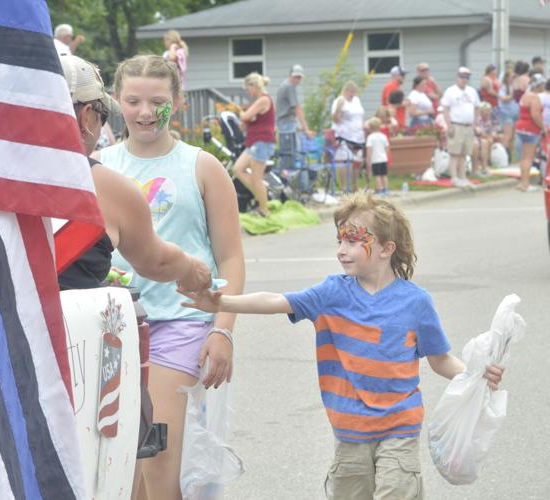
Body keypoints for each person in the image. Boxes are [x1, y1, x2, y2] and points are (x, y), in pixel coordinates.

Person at [178, 192, 505, 500]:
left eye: (353, 240)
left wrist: (475, 375)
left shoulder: (416, 302)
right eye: (340, 241)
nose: (341, 249)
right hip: (349, 431)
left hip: (400, 426)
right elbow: (275, 301)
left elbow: (440, 359)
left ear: (386, 248)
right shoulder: (331, 293)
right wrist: (220, 303)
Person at [99, 54, 245, 500]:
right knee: (119, 467)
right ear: (115, 103)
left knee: (158, 458)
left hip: (180, 323)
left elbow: (231, 259)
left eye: (158, 101)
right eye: (134, 101)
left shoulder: (202, 167)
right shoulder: (98, 166)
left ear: (177, 103)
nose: (146, 112)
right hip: (113, 325)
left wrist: (223, 332)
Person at [56, 54, 212, 293]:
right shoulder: (104, 186)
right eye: (103, 115)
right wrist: (189, 267)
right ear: (86, 116)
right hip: (64, 323)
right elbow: (156, 262)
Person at [234, 72, 276, 217]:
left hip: (261, 142)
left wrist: (242, 113)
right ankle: (261, 194)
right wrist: (247, 120)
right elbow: (250, 120)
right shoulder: (259, 102)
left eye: (248, 88)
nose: (247, 92)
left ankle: (264, 209)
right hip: (254, 142)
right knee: (238, 169)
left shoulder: (263, 100)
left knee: (256, 178)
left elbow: (245, 116)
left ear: (254, 86)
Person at [441, 66, 480, 188]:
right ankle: (454, 177)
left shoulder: (472, 91)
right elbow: (445, 109)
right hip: (456, 124)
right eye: (462, 77)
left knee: (464, 153)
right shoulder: (450, 91)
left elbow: (477, 107)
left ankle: (462, 176)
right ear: (457, 77)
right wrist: (449, 125)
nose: (464, 79)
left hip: (468, 125)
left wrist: (475, 123)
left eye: (467, 77)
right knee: (454, 152)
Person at [276, 64, 313, 175]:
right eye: (296, 77)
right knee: (289, 156)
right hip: (286, 126)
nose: (298, 80)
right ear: (291, 76)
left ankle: (290, 183)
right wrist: (306, 129)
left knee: (288, 156)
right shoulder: (289, 86)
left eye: (299, 77)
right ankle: (287, 183)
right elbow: (297, 108)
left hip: (287, 124)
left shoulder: (285, 85)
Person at [332, 81, 366, 191]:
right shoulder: (339, 101)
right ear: (345, 91)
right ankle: (343, 187)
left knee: (357, 161)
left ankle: (354, 186)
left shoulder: (356, 101)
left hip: (358, 136)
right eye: (351, 92)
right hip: (344, 135)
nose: (352, 95)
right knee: (345, 160)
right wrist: (338, 109)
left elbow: (360, 115)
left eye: (354, 93)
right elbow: (335, 120)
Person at [514, 75, 545, 192]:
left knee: (523, 157)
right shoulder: (535, 98)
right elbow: (535, 115)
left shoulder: (525, 96)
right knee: (528, 157)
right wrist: (543, 128)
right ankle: (525, 184)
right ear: (539, 85)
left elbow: (521, 112)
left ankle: (522, 182)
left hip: (521, 127)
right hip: (530, 129)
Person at [473, 102, 502, 177]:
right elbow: (479, 132)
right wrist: (488, 137)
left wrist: (492, 136)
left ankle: (484, 167)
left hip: (488, 138)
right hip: (477, 138)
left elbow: (495, 131)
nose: (486, 113)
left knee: (487, 141)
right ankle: (481, 167)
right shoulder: (476, 120)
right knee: (483, 142)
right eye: (484, 111)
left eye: (488, 111)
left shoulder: (493, 119)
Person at [365, 118, 391, 195]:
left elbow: (369, 149)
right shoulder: (383, 136)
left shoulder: (370, 137)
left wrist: (368, 159)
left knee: (377, 175)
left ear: (370, 127)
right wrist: (386, 156)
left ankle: (380, 190)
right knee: (384, 175)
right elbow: (387, 147)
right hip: (383, 158)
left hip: (375, 159)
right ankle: (386, 189)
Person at [498, 65, 519, 156]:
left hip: (515, 114)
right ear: (507, 77)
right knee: (507, 135)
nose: (513, 78)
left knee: (512, 137)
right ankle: (503, 155)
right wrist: (513, 96)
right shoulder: (503, 87)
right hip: (506, 114)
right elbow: (502, 98)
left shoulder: (514, 86)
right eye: (511, 77)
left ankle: (510, 155)